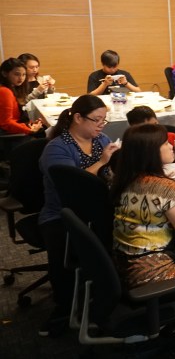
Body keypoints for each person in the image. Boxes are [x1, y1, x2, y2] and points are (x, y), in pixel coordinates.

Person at [111, 124, 175, 358]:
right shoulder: (163, 186)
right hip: (150, 270)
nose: (170, 146)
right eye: (165, 143)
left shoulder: (128, 177)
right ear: (150, 151)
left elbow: (153, 202)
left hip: (123, 260)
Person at [38, 95, 119, 334]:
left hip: (99, 209)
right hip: (63, 213)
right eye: (96, 120)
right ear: (77, 118)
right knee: (71, 249)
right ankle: (64, 307)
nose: (101, 125)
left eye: (104, 120)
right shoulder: (58, 148)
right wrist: (103, 161)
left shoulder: (101, 140)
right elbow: (72, 184)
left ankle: (111, 295)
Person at [0, 58, 44, 136]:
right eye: (17, 74)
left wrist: (29, 124)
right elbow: (6, 123)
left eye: (24, 74)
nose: (21, 78)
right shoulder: (4, 91)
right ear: (4, 74)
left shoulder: (13, 88)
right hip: (8, 134)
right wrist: (30, 130)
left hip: (15, 128)